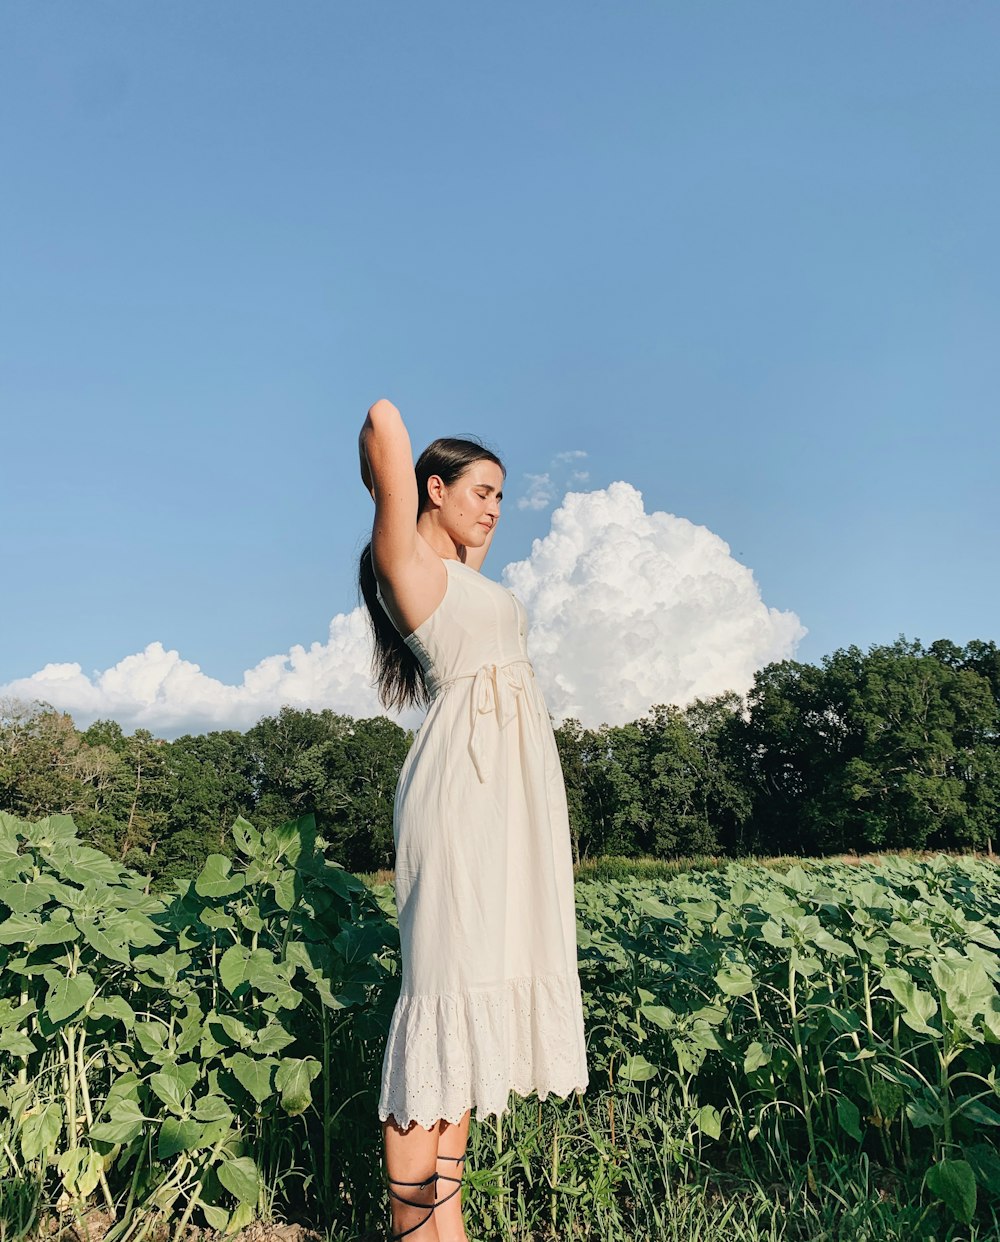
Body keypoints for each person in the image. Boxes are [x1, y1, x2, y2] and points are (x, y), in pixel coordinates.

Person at [357, 399, 589, 1242]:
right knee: (443, 1006)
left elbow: (475, 547)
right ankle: (417, 1233)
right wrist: (407, 495)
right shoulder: (407, 565)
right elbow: (383, 421)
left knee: (471, 1027)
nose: (494, 508)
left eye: (502, 496)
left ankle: (446, 1229)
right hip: (459, 797)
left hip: (514, 804)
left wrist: (463, 517)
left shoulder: (467, 577)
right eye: (481, 491)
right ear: (433, 486)